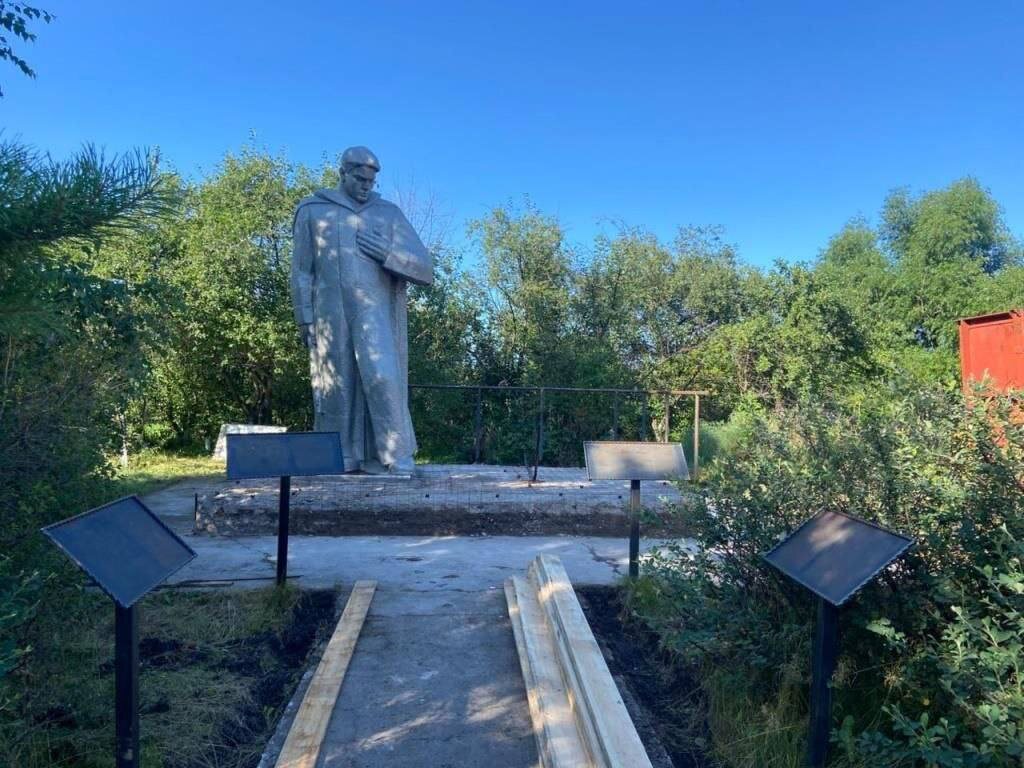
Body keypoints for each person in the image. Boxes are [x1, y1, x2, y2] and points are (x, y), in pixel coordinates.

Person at [291, 146, 432, 474]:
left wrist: (389, 253)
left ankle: (395, 454)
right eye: (360, 179)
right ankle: (340, 455)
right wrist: (304, 317)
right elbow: (301, 271)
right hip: (328, 313)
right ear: (343, 174)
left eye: (371, 181)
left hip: (374, 312)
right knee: (335, 385)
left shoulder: (388, 213)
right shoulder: (312, 210)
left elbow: (425, 269)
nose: (366, 186)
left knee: (383, 377)